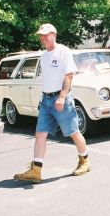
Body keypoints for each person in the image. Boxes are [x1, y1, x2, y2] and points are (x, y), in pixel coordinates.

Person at [14, 23, 91, 183]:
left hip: (61, 99)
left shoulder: (63, 51)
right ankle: (36, 171)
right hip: (47, 100)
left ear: (54, 35)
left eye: (46, 35)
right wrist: (44, 98)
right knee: (40, 134)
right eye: (41, 36)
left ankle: (84, 161)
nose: (43, 38)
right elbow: (49, 78)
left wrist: (62, 96)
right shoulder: (43, 56)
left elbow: (69, 75)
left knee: (73, 132)